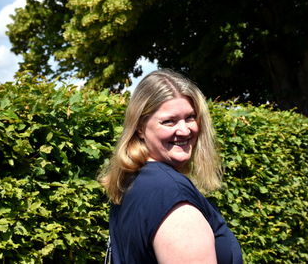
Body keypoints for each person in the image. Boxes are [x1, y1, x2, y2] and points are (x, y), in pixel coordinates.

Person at [100, 69, 243, 263]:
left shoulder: (133, 183)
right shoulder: (170, 193)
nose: (184, 130)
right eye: (169, 121)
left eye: (190, 118)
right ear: (140, 127)